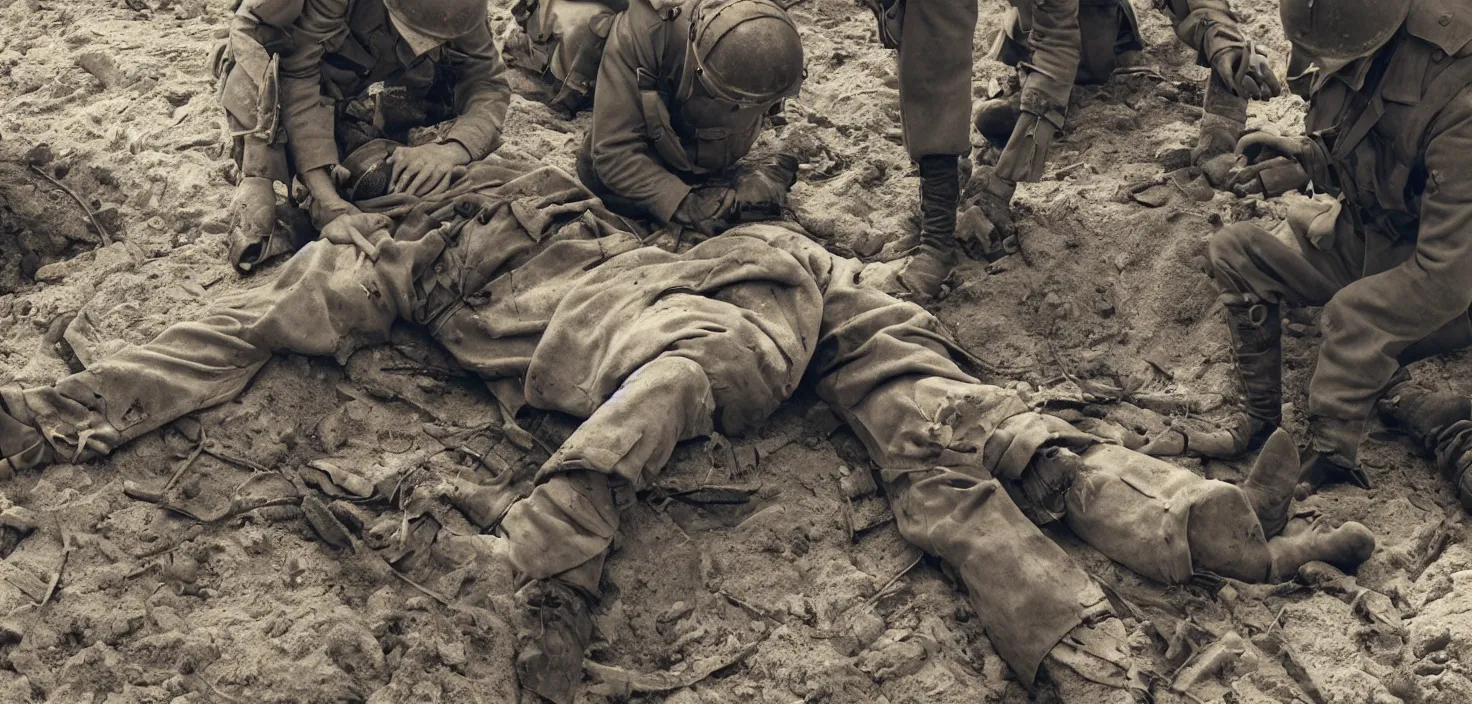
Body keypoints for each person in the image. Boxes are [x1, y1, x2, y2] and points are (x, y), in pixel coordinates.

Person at [0, 145, 1374, 704]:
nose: (413, 160)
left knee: (923, 399)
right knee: (858, 398)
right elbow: (222, 335)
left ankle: (1151, 533)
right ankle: (1115, 581)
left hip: (752, 284)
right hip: (699, 324)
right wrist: (54, 413)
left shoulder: (513, 178)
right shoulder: (382, 258)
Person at [1204, 0, 1472, 496]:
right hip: (1372, 237)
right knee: (1235, 251)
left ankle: (1333, 453)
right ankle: (1261, 420)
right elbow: (1378, 140)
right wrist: (1303, 161)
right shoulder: (1355, 33)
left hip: (1455, 278)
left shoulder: (1459, 93)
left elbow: (1445, 277)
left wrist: (1335, 421)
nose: (1311, 68)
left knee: (1351, 317)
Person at [886, 0, 1283, 298]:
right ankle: (936, 226)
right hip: (1030, 18)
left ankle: (1100, 36)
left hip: (1080, 19)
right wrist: (938, 234)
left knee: (1085, 57)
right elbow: (933, 37)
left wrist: (1224, 46)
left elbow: (1060, 42)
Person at [216, 0, 511, 272]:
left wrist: (452, 149)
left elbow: (488, 82)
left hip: (382, 70)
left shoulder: (461, 7)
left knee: (383, 176)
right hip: (295, 61)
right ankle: (261, 173)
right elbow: (298, 74)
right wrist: (327, 200)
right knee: (258, 220)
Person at [574, 0, 806, 236]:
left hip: (713, 155)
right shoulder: (644, 30)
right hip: (650, 150)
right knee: (599, 177)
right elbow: (613, 151)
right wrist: (687, 205)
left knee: (760, 193)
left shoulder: (768, 21)